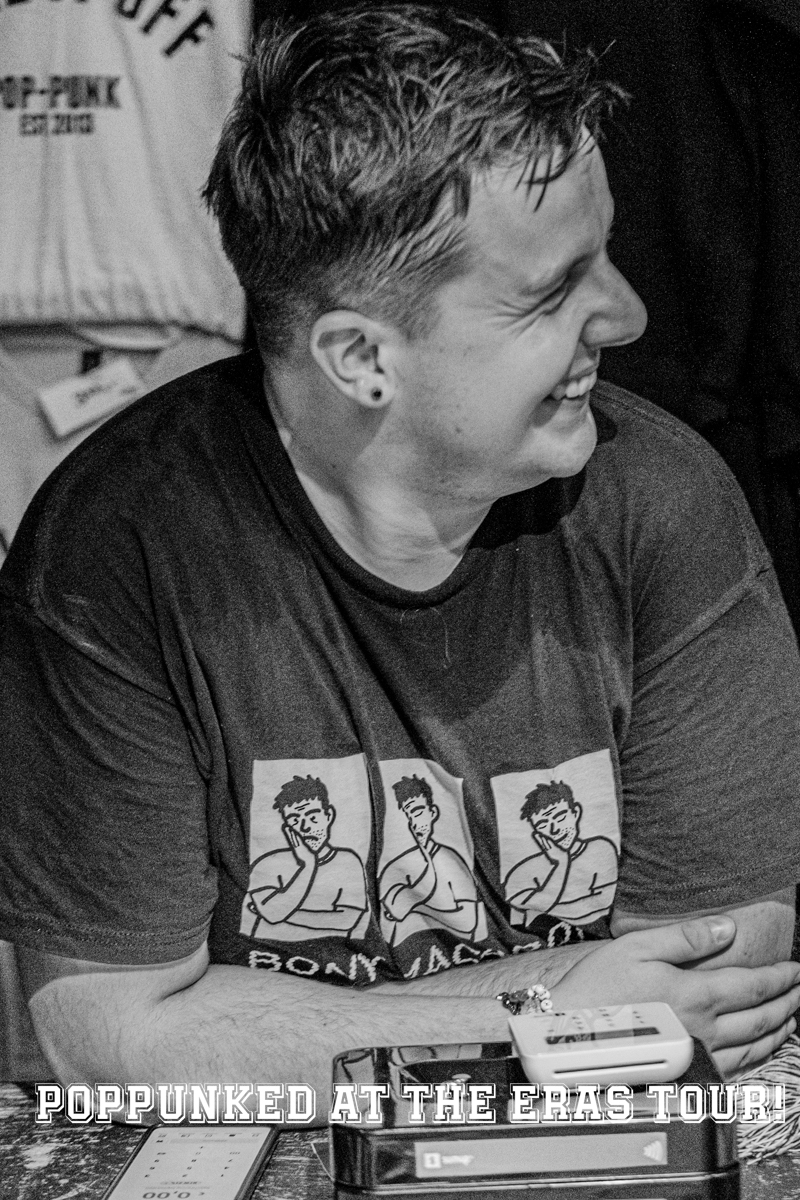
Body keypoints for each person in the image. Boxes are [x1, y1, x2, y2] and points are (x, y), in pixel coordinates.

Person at [1, 5, 800, 1117]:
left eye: (606, 256)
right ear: (359, 358)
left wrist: (264, 1030)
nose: (625, 315)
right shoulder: (115, 553)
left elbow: (717, 984)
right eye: (550, 291)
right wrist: (543, 1017)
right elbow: (104, 1038)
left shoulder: (662, 504)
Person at [243, 774, 370, 941]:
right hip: (262, 953)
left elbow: (347, 920)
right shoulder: (268, 862)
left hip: (331, 952)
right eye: (295, 820)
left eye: (313, 817)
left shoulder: (348, 861)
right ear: (287, 827)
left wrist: (285, 913)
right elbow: (272, 914)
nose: (305, 827)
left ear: (329, 816)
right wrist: (308, 866)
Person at [379, 774, 482, 944]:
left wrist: (416, 905)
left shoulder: (450, 860)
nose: (412, 822)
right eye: (405, 816)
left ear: (432, 812)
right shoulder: (394, 867)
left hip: (458, 949)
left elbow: (469, 921)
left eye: (417, 812)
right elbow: (392, 915)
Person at [504, 780, 618, 929]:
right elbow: (517, 917)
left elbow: (606, 902)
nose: (554, 829)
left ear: (575, 813)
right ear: (536, 832)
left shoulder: (600, 848)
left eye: (560, 817)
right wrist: (561, 864)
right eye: (543, 824)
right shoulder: (524, 870)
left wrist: (542, 907)